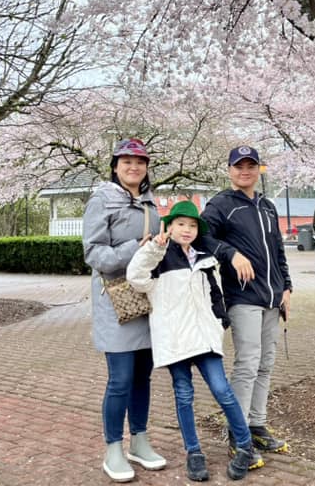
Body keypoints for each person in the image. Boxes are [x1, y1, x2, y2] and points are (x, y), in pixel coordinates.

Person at [126, 200, 255, 482]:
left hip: (204, 337)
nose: (187, 230)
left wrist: (220, 322)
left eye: (192, 225)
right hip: (176, 340)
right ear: (169, 227)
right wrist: (154, 248)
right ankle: (193, 452)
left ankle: (245, 446)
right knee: (184, 394)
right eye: (181, 224)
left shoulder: (204, 258)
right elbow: (135, 277)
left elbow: (215, 295)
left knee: (222, 390)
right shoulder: (158, 258)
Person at [201, 145, 293, 468]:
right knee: (247, 364)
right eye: (238, 166)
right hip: (243, 298)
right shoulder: (221, 205)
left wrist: (287, 287)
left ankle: (256, 424)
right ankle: (238, 435)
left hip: (272, 298)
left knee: (265, 363)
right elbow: (201, 237)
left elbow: (278, 251)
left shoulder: (268, 207)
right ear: (229, 170)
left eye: (250, 165)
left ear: (258, 170)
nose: (245, 171)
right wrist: (230, 254)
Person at [82, 137, 167, 482]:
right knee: (120, 380)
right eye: (127, 161)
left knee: (143, 377)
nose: (134, 167)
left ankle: (140, 441)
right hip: (115, 303)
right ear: (115, 166)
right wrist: (135, 248)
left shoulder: (150, 204)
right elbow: (93, 254)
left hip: (146, 301)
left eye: (140, 162)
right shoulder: (101, 200)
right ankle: (113, 448)